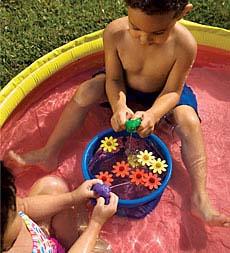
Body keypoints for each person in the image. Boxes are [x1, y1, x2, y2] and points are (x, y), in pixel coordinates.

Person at [8, 0, 230, 227]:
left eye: (158, 32)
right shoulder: (115, 32)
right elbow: (113, 79)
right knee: (87, 91)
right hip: (123, 87)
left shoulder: (185, 45)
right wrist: (119, 106)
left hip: (162, 94)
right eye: (135, 27)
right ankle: (49, 152)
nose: (144, 39)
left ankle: (199, 197)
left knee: (189, 120)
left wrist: (153, 114)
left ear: (183, 13)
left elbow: (172, 91)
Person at [1, 161, 118, 252]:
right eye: (15, 213)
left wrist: (73, 197)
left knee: (50, 185)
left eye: (14, 204)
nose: (18, 207)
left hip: (43, 243)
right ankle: (80, 244)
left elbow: (25, 206)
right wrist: (96, 224)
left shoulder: (8, 212)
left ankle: (72, 242)